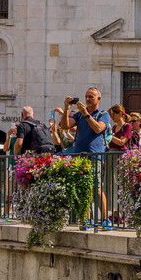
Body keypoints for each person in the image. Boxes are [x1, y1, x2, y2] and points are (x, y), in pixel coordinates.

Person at [60, 87, 110, 227]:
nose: (88, 99)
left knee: (96, 188)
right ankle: (86, 219)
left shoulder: (103, 114)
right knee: (83, 188)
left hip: (94, 155)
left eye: (91, 97)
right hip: (79, 155)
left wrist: (86, 114)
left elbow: (98, 128)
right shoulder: (79, 115)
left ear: (98, 99)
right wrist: (65, 108)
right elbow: (65, 126)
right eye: (86, 96)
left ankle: (105, 219)